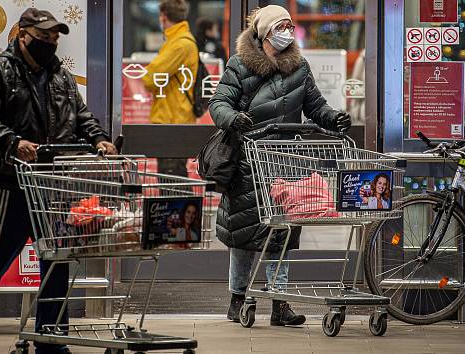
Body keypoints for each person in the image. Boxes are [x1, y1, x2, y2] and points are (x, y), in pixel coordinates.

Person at [0, 8, 117, 354]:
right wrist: (12, 142)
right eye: (43, 36)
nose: (50, 43)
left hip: (53, 184)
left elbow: (82, 117)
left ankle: (51, 341)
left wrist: (99, 139)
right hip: (10, 184)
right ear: (22, 35)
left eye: (54, 38)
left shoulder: (61, 76)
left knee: (57, 264)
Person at [208, 5, 351, 327]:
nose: (287, 30)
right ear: (264, 31)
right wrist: (232, 118)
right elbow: (218, 103)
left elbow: (315, 106)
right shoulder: (240, 64)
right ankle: (238, 298)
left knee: (282, 235)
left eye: (290, 25)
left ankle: (279, 302)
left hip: (286, 162)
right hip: (248, 159)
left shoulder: (299, 67)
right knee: (244, 234)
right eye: (281, 25)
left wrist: (334, 118)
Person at [142, 0, 198, 177]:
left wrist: (149, 73)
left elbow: (150, 78)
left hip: (173, 119)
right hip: (175, 117)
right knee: (173, 180)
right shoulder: (179, 40)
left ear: (163, 16)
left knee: (171, 179)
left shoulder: (179, 44)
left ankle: (183, 206)